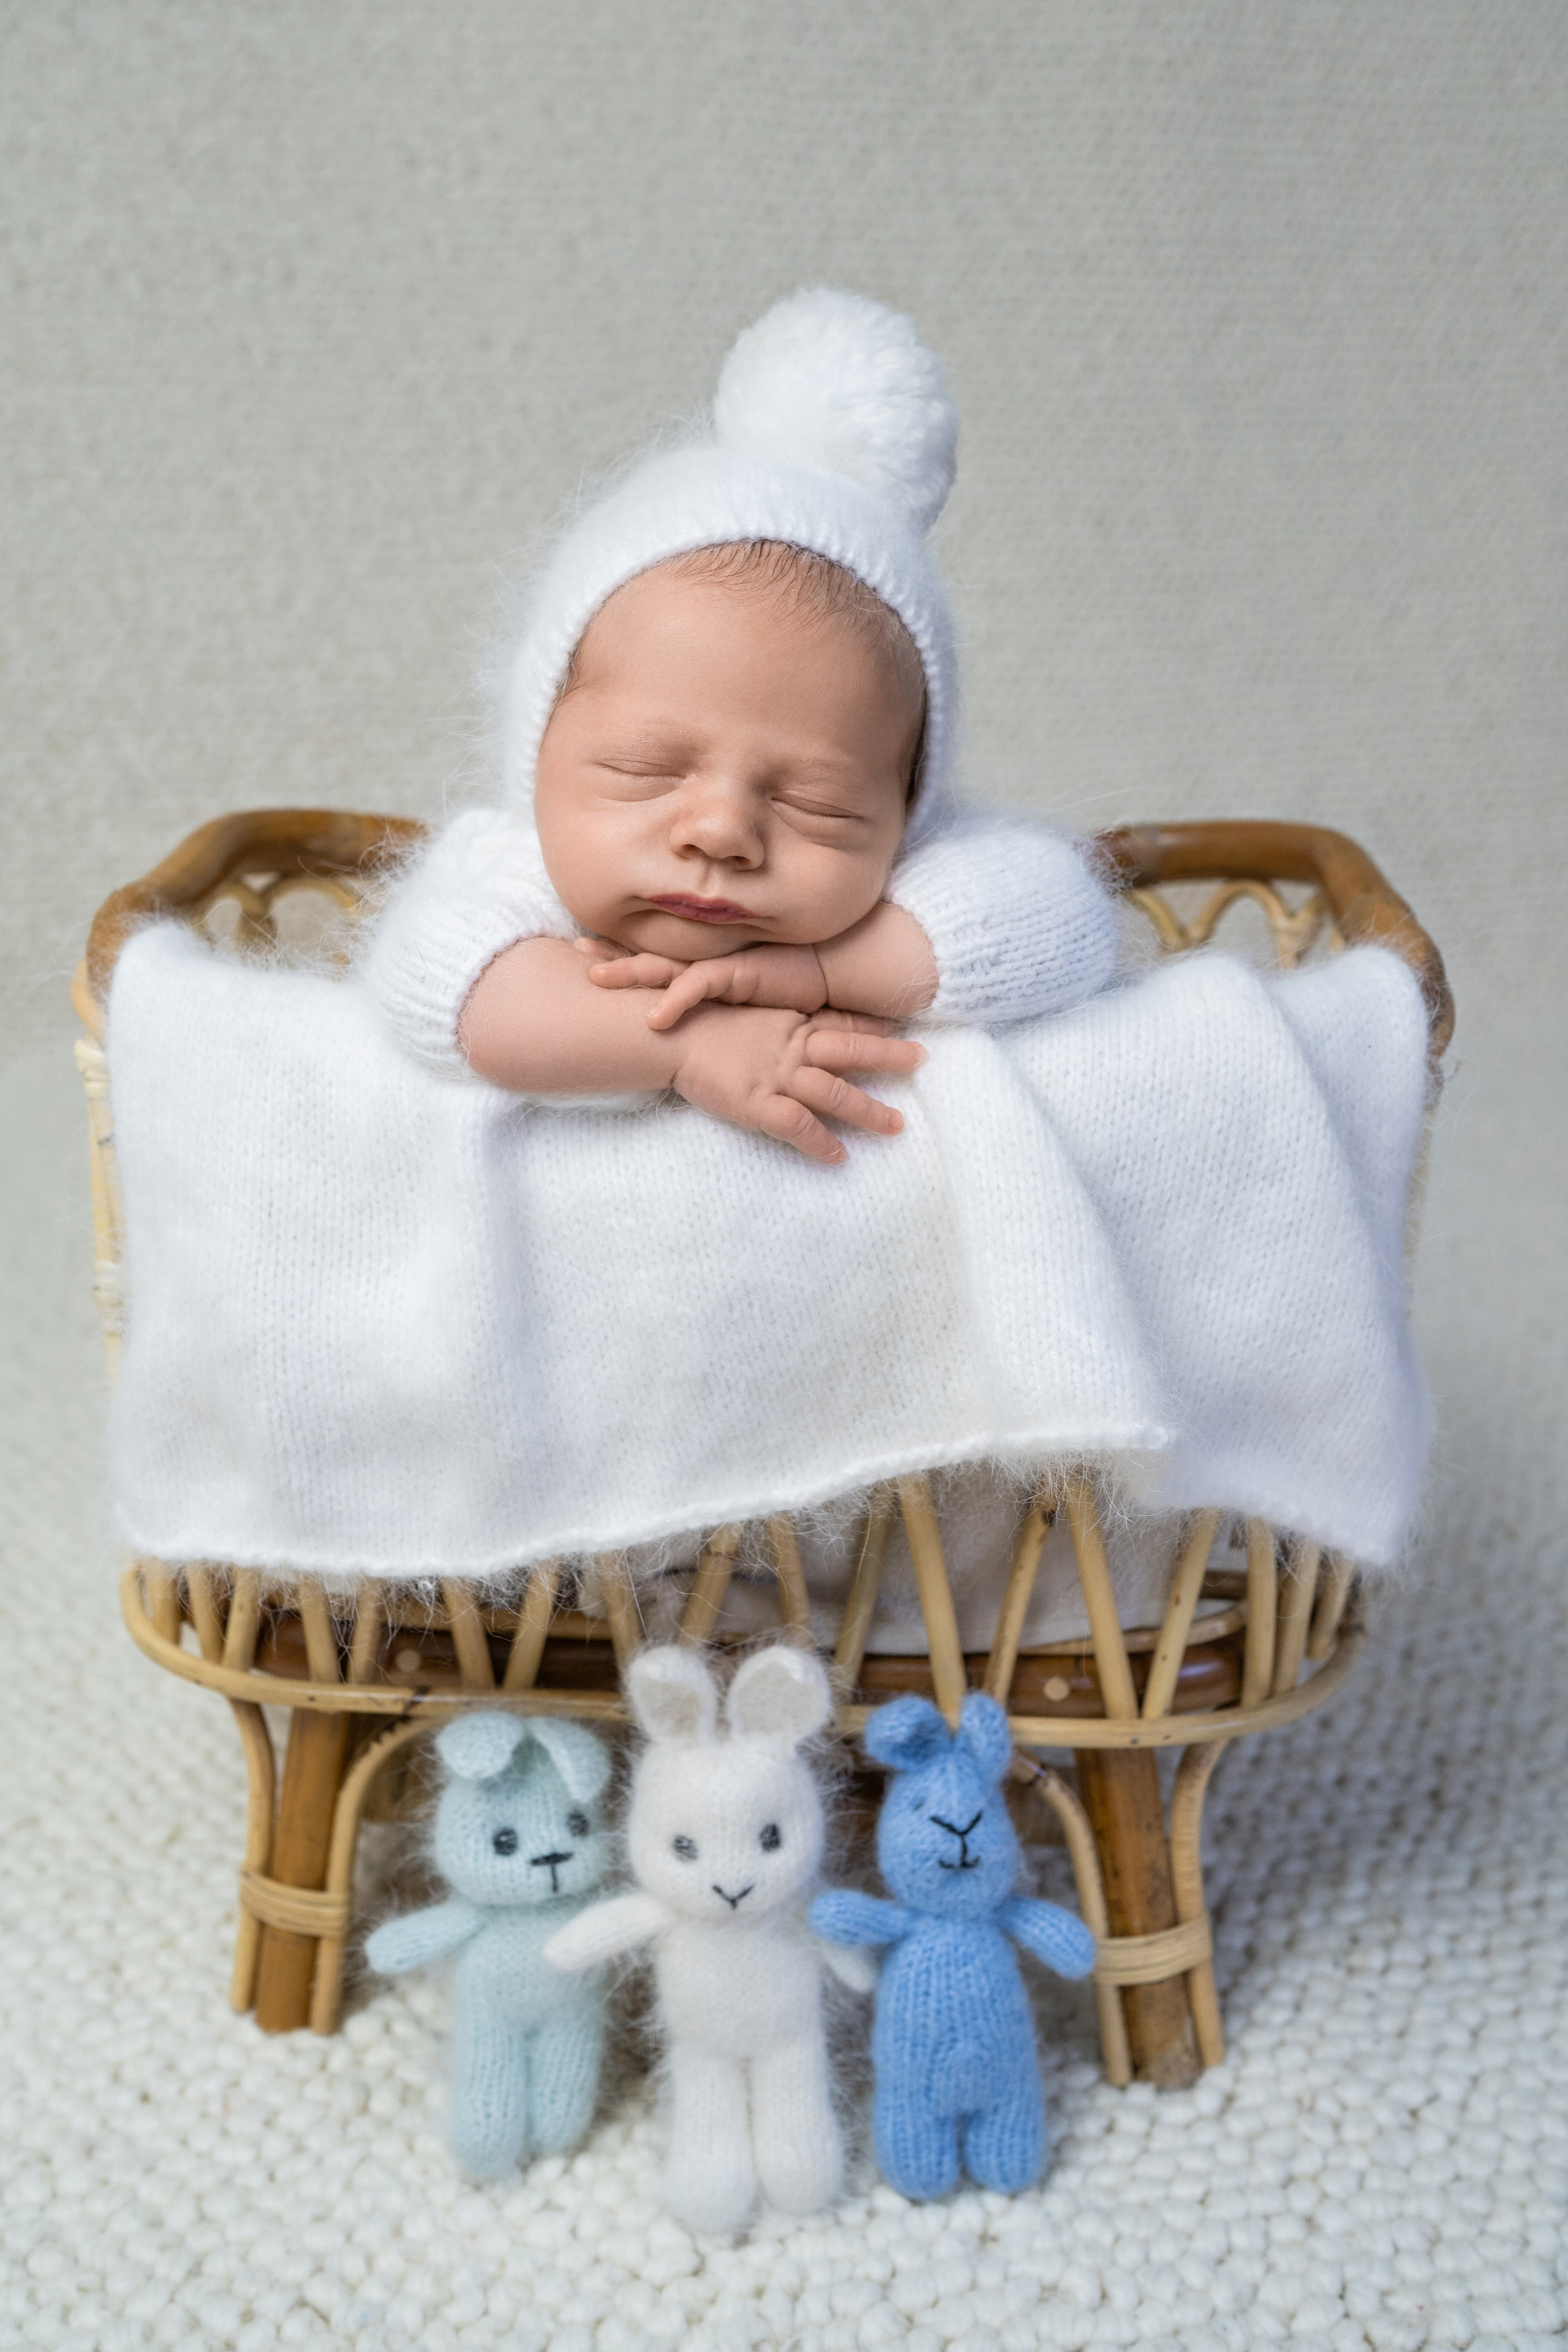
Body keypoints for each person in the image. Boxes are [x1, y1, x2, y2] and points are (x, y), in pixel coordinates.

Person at [365, 287, 1118, 1161]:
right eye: (646, 768)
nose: (722, 832)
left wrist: (829, 973)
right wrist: (681, 1045)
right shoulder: (516, 873)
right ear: (537, 759)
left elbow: (1066, 919)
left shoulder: (915, 874)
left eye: (818, 805)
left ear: (906, 808)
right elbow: (438, 985)